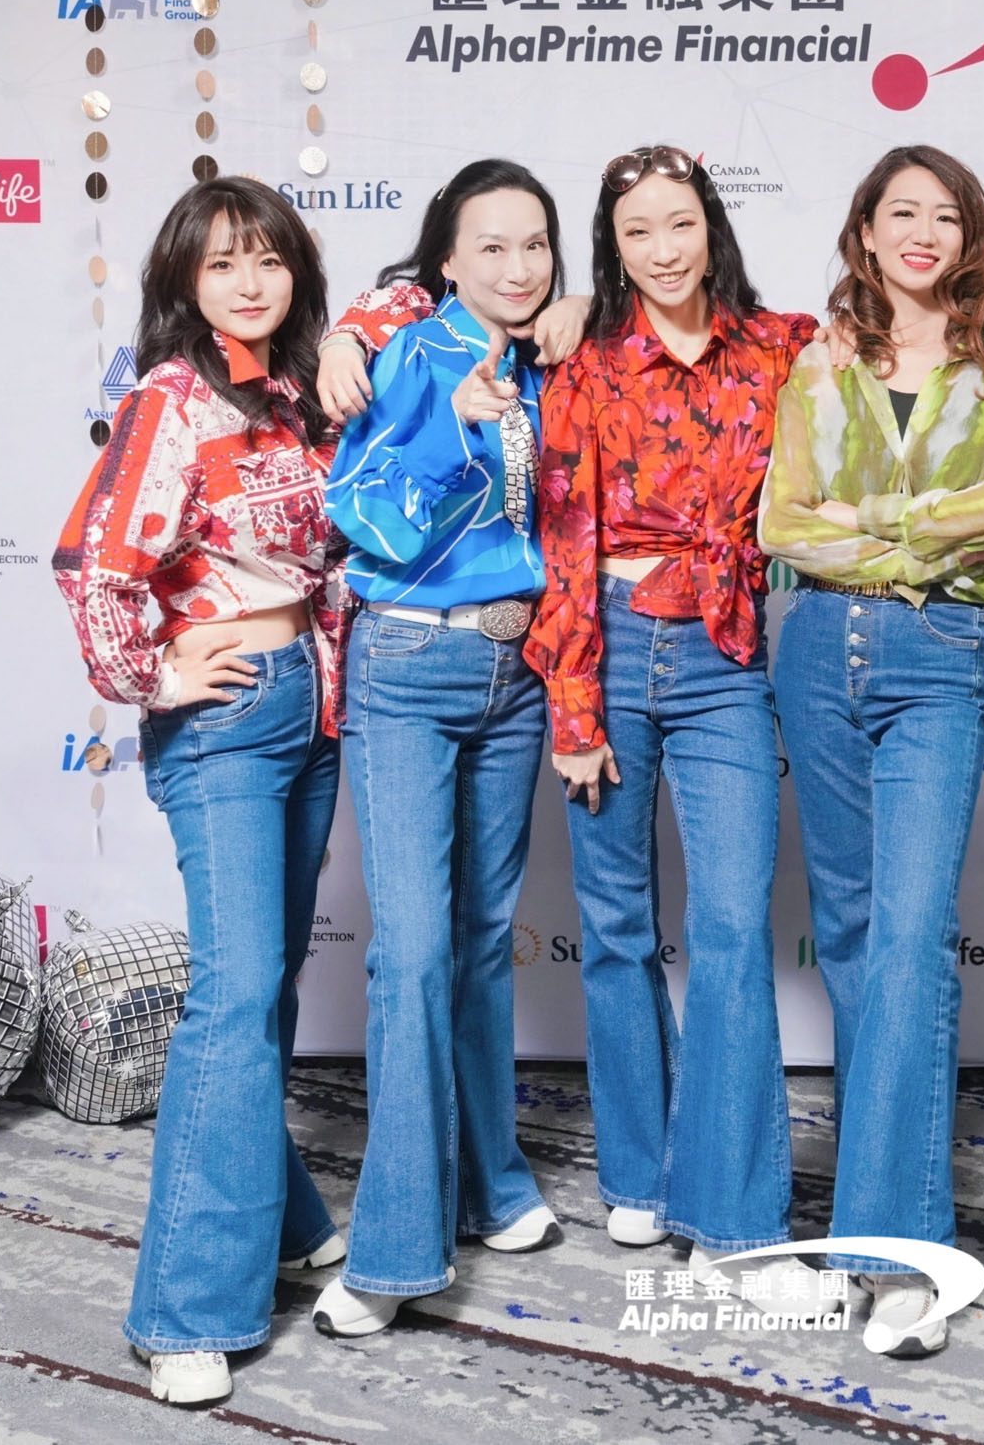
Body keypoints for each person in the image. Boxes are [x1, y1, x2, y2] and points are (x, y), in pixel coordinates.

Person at [526, 144, 984, 1283]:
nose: (664, 250)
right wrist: (575, 704)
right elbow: (564, 536)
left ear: (713, 227)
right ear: (613, 246)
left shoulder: (788, 343)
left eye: (680, 224)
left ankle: (733, 1215)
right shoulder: (582, 361)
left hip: (729, 651)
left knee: (733, 928)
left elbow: (946, 299)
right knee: (618, 927)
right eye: (637, 232)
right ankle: (639, 1178)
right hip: (611, 640)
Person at [757, 145, 984, 1357]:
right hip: (814, 650)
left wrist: (873, 524)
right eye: (902, 213)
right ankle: (870, 1223)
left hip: (937, 654)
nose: (922, 232)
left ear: (968, 236)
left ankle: (898, 1252)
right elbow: (783, 521)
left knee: (913, 935)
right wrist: (909, 541)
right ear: (867, 232)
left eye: (945, 215)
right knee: (847, 934)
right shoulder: (820, 361)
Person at [53, 177, 351, 1408]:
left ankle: (288, 1216)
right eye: (222, 262)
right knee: (232, 995)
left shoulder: (297, 397)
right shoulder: (168, 399)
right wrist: (156, 670)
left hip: (310, 708)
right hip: (224, 719)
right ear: (184, 281)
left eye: (268, 259)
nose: (248, 281)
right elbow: (92, 563)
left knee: (265, 986)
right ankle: (188, 1308)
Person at [305, 160, 574, 1340]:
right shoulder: (410, 353)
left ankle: (490, 1181)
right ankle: (394, 1247)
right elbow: (354, 507)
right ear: (447, 261)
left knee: (476, 943)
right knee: (411, 952)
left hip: (516, 676)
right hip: (411, 663)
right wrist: (449, 439)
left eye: (536, 246)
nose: (518, 267)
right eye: (493, 247)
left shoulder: (551, 356)